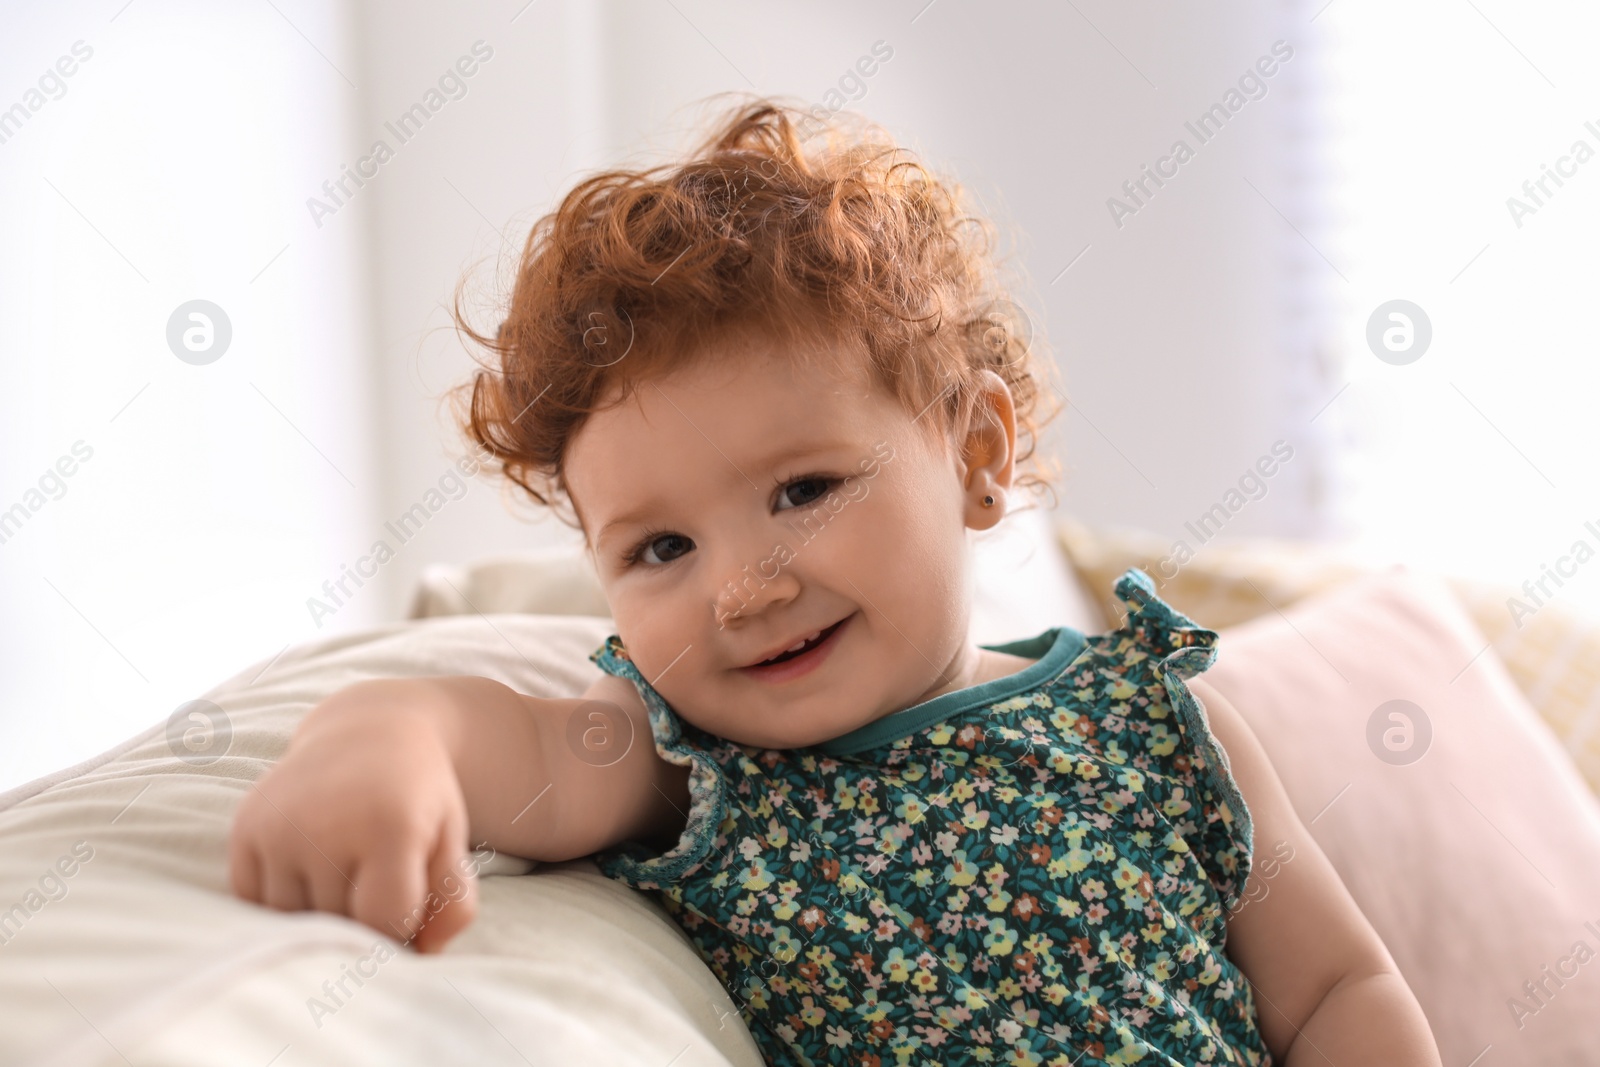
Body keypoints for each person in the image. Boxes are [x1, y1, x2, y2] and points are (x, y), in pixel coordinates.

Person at [229, 97, 1442, 1066]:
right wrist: (393, 734)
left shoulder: (1156, 720)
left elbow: (1336, 985)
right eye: (660, 549)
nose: (742, 593)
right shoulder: (692, 764)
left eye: (803, 490)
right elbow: (519, 749)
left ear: (975, 455)